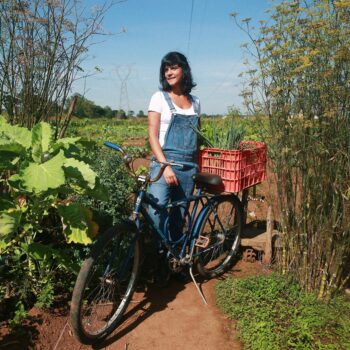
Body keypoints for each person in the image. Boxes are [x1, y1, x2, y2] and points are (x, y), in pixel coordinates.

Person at [147, 51, 201, 285]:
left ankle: (175, 264)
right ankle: (155, 264)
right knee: (155, 214)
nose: (168, 72)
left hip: (188, 166)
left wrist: (198, 167)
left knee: (179, 218)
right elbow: (152, 135)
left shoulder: (196, 102)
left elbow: (195, 138)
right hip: (163, 164)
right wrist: (164, 166)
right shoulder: (158, 98)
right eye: (165, 68)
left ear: (183, 70)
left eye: (173, 67)